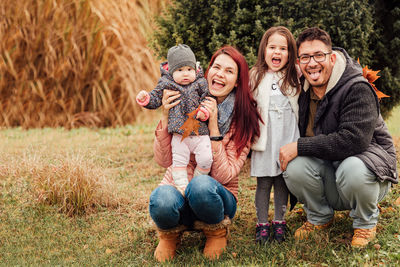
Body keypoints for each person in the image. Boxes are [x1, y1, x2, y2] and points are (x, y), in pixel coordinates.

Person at [279, 27, 398, 248]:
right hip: (331, 174)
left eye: (318, 55)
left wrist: (300, 145)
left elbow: (354, 140)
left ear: (332, 58)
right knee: (294, 165)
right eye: (305, 57)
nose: (312, 63)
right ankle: (319, 217)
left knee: (351, 167)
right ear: (298, 62)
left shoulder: (357, 88)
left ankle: (365, 223)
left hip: (368, 174)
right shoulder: (304, 91)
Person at [148, 46, 261, 262]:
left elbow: (225, 175)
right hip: (180, 189)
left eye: (229, 71)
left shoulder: (242, 119)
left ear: (237, 81)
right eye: (216, 67)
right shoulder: (182, 103)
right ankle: (170, 233)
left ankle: (216, 231)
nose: (220, 74)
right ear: (206, 71)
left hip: (217, 198)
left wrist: (213, 127)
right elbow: (163, 160)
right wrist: (165, 116)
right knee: (160, 199)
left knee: (200, 187)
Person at [136, 44, 212, 195]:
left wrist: (204, 111)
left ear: (195, 69)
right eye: (180, 70)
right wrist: (146, 98)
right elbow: (156, 97)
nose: (185, 74)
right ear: (171, 71)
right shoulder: (167, 83)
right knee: (179, 161)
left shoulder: (200, 82)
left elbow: (207, 98)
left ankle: (197, 181)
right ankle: (182, 186)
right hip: (178, 135)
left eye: (189, 69)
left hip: (200, 132)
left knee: (206, 158)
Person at [250, 26, 300, 244]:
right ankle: (262, 223)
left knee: (282, 182)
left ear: (290, 53)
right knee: (263, 183)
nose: (277, 52)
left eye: (283, 48)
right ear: (264, 50)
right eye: (272, 47)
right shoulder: (255, 75)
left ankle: (279, 221)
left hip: (286, 139)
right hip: (264, 140)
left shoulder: (294, 75)